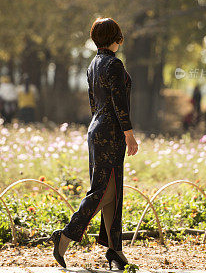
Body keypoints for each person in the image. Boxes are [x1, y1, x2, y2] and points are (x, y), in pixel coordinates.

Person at [47, 17, 139, 269]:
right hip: (111, 132)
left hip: (97, 130)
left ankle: (115, 250)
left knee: (112, 192)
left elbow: (93, 104)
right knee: (104, 191)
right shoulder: (114, 64)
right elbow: (119, 104)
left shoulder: (93, 64)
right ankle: (65, 236)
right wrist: (129, 134)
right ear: (116, 37)